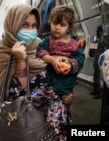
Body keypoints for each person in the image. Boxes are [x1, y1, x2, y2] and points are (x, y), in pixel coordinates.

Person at [0, 4, 47, 141]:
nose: (31, 30)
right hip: (18, 120)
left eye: (34, 26)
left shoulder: (42, 47)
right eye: (25, 25)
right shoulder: (4, 53)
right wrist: (21, 60)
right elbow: (20, 92)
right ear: (13, 25)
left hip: (45, 117)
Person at [36, 6, 85, 140]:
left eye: (62, 25)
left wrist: (70, 64)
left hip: (65, 87)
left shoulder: (75, 45)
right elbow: (41, 52)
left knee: (61, 113)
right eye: (54, 23)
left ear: (69, 28)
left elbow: (80, 59)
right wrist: (52, 60)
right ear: (50, 22)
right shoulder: (48, 41)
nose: (57, 27)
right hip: (48, 83)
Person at [90, 25, 106, 99]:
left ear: (100, 31)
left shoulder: (103, 40)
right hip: (96, 61)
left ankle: (98, 92)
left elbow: (103, 53)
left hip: (100, 62)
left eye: (97, 31)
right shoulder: (99, 39)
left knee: (97, 77)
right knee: (95, 76)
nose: (96, 32)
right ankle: (95, 90)